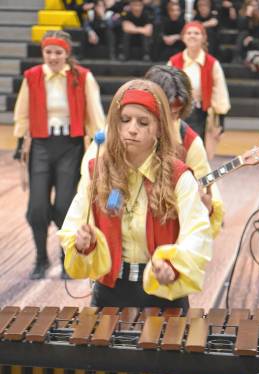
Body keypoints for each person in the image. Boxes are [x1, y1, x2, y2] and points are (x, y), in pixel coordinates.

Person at [58, 79, 212, 310]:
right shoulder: (97, 170)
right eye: (125, 120)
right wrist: (82, 243)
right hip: (109, 293)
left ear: (159, 128)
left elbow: (197, 233)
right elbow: (74, 224)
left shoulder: (179, 176)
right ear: (115, 125)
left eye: (143, 122)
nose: (132, 129)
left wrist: (174, 268)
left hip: (163, 293)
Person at [13, 30, 106, 280]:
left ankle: (67, 259)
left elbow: (96, 114)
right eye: (48, 52)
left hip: (71, 146)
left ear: (67, 53)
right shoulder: (32, 77)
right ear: (43, 53)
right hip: (41, 146)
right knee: (37, 208)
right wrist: (20, 141)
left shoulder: (83, 77)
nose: (53, 57)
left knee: (65, 206)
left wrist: (101, 145)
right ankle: (41, 259)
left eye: (58, 52)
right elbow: (22, 112)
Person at [145, 64, 224, 238]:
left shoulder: (190, 142)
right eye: (165, 112)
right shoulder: (123, 129)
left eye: (176, 113)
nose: (170, 119)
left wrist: (208, 208)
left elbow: (208, 190)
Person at [168, 20, 230, 143]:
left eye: (196, 33)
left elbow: (220, 93)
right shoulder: (173, 62)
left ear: (203, 38)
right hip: (177, 114)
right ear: (183, 37)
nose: (192, 35)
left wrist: (221, 121)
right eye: (189, 33)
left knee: (197, 148)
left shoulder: (212, 63)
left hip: (201, 114)